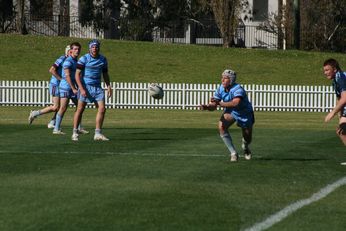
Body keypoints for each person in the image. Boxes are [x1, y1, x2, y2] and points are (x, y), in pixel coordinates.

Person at [200, 69, 255, 162]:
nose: (222, 80)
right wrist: (207, 106)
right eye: (222, 78)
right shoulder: (220, 88)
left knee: (247, 137)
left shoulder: (238, 89)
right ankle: (233, 153)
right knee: (222, 127)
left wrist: (219, 103)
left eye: (225, 78)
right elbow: (214, 105)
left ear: (231, 80)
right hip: (231, 111)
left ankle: (245, 147)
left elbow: (235, 103)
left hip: (244, 113)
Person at [71, 39, 112, 141]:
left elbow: (105, 74)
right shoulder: (84, 59)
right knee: (80, 109)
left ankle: (97, 133)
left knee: (102, 109)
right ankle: (75, 132)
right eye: (93, 47)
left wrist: (109, 86)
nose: (95, 49)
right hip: (85, 87)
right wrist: (81, 88)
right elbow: (77, 75)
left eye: (96, 47)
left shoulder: (103, 59)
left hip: (97, 88)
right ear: (90, 48)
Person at [28, 45, 71, 127]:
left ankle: (52, 122)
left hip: (63, 86)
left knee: (63, 106)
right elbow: (51, 70)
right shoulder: (61, 59)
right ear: (67, 52)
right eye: (70, 50)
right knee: (56, 107)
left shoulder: (71, 61)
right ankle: (35, 113)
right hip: (55, 84)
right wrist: (61, 79)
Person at [53, 42, 88, 135]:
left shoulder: (76, 61)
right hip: (65, 87)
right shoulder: (68, 61)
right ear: (71, 50)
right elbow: (68, 76)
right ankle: (56, 128)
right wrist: (73, 88)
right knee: (63, 107)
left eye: (78, 49)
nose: (77, 51)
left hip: (72, 88)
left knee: (80, 106)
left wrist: (79, 86)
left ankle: (78, 128)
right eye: (75, 49)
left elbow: (75, 76)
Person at [323, 59, 346, 154]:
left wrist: (332, 113)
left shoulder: (339, 77)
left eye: (327, 70)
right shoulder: (335, 80)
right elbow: (339, 98)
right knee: (341, 131)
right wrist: (340, 114)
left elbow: (344, 98)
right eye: (324, 70)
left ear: (335, 69)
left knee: (342, 130)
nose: (325, 73)